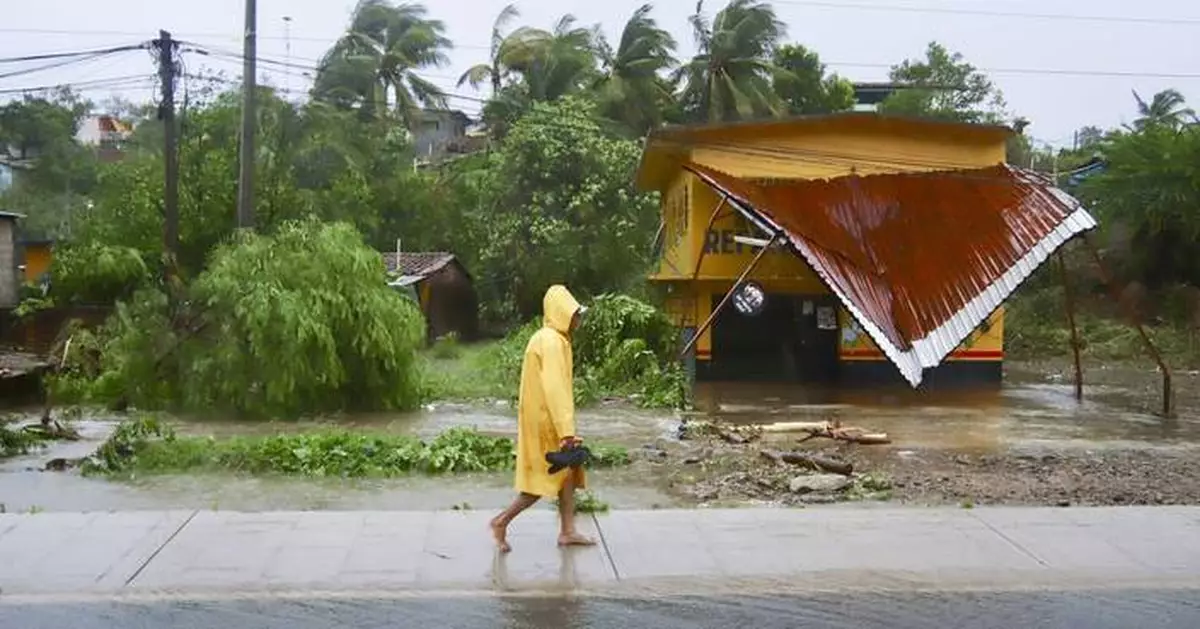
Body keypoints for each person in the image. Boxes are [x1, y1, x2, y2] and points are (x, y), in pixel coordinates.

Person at [489, 285, 595, 553]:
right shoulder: (551, 342)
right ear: (562, 313)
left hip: (544, 418)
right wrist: (566, 431)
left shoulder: (550, 338)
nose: (578, 319)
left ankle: (568, 531)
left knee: (568, 473)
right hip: (547, 422)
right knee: (542, 480)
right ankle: (501, 521)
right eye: (574, 314)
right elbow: (555, 387)